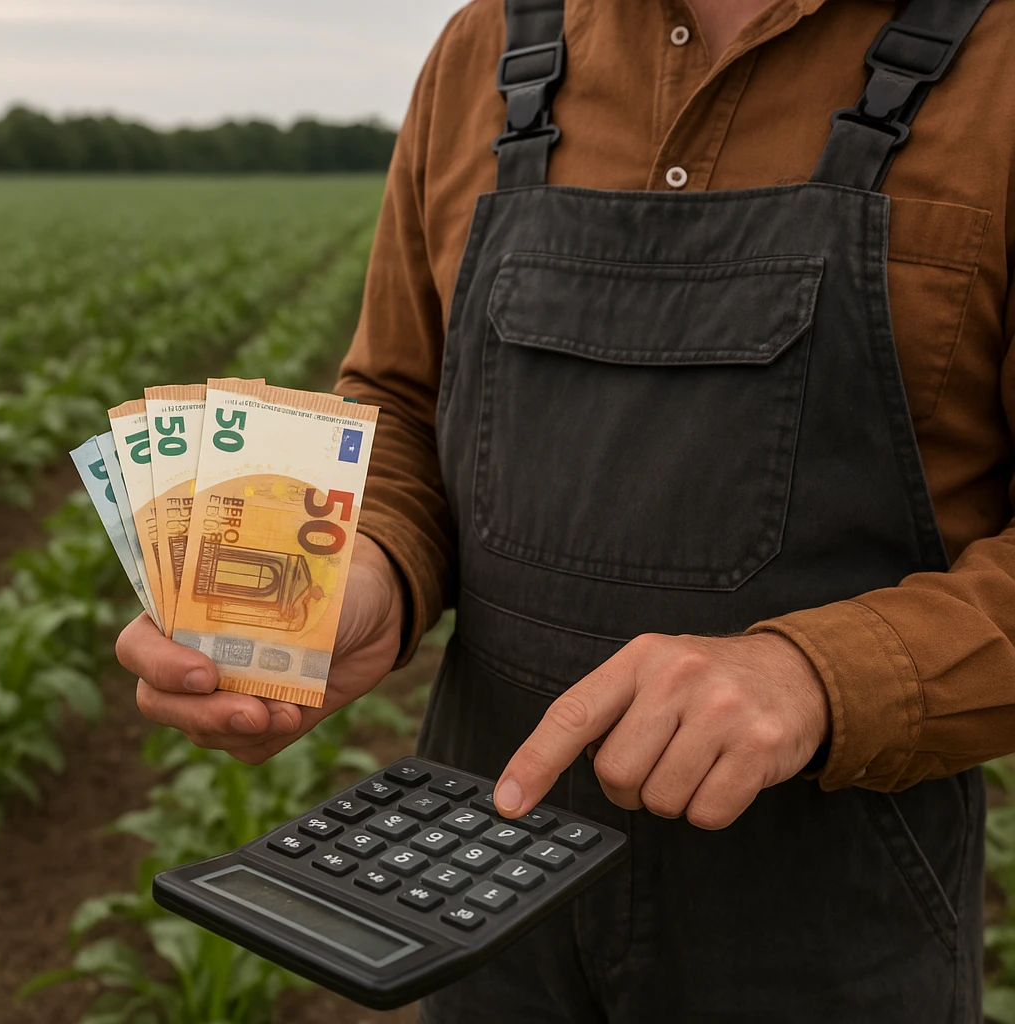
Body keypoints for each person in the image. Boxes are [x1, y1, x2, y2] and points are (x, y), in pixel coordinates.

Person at [117, 0, 1015, 1019]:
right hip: (465, 877)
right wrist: (368, 567)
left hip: (830, 915)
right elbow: (405, 402)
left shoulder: (998, 62)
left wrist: (817, 676)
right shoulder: (483, 49)